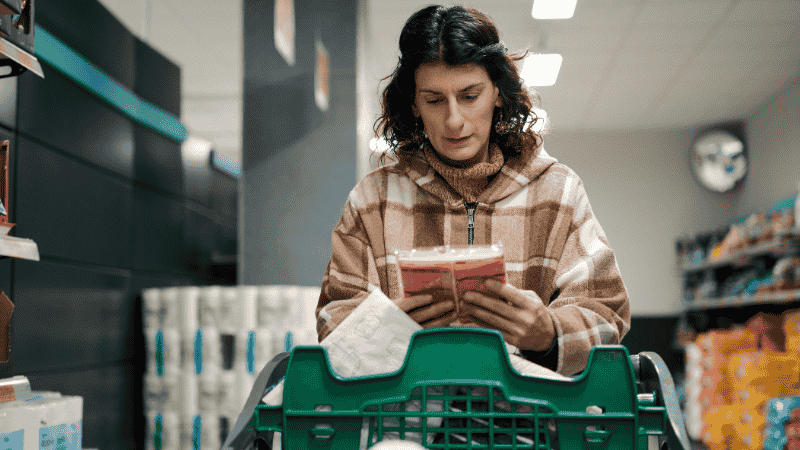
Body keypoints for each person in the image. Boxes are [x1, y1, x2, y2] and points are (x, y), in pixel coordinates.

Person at [314, 4, 630, 377]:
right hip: (404, 423)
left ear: (498, 92)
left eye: (469, 95)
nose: (454, 121)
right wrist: (383, 331)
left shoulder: (558, 192)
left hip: (530, 424)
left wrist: (549, 334)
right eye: (434, 100)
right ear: (414, 104)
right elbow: (333, 324)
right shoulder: (373, 202)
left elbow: (606, 312)